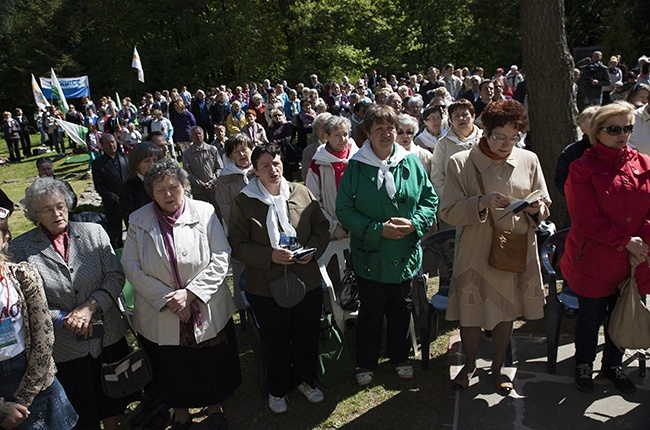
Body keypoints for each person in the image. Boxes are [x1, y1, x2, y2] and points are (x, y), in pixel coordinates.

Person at [440, 99, 550, 395]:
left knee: (506, 311)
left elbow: (544, 203)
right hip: (476, 249)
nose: (507, 144)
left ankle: (500, 368)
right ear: (484, 131)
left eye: (514, 137)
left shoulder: (529, 159)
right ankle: (470, 363)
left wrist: (536, 209)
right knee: (472, 311)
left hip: (516, 248)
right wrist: (481, 202)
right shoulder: (460, 163)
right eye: (500, 136)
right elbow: (447, 211)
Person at [121, 159, 241, 430]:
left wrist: (191, 294)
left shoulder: (205, 211)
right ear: (151, 192)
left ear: (184, 187)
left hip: (205, 304)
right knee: (172, 365)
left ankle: (214, 408)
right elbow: (132, 266)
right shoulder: (138, 220)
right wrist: (170, 299)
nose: (167, 194)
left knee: (209, 361)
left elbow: (221, 256)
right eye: (160, 189)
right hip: (160, 310)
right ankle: (182, 413)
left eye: (173, 187)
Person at [9, 177, 137, 430]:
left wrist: (90, 307)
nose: (57, 214)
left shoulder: (93, 232)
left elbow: (114, 275)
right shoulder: (20, 248)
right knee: (81, 405)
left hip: (106, 333)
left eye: (60, 206)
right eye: (47, 209)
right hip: (64, 345)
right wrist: (63, 319)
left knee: (112, 397)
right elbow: (24, 300)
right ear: (34, 214)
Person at [336, 105, 438, 386]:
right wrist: (377, 230)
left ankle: (400, 356)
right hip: (371, 253)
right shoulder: (357, 166)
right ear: (367, 133)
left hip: (404, 252)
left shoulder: (411, 162)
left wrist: (414, 224)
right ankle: (366, 362)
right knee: (370, 309)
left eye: (390, 128)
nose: (386, 133)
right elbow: (344, 209)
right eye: (378, 128)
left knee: (401, 306)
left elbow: (430, 200)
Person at [228, 144, 329, 414]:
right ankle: (277, 388)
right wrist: (270, 256)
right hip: (266, 286)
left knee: (307, 333)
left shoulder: (301, 192)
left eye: (276, 163)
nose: (273, 169)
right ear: (255, 171)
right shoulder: (244, 201)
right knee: (275, 339)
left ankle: (307, 380)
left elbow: (321, 227)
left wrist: (313, 251)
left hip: (306, 280)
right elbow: (236, 244)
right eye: (265, 166)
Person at [562, 101, 650, 395]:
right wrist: (625, 241)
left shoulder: (644, 163)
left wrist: (642, 243)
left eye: (627, 128)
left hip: (632, 261)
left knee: (621, 313)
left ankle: (613, 363)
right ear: (596, 133)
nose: (622, 135)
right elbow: (585, 218)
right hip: (595, 260)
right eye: (614, 129)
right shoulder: (581, 168)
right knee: (591, 317)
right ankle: (583, 363)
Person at [0, 219, 78, 430]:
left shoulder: (23, 276)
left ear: (5, 238)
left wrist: (24, 397)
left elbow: (44, 335)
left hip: (34, 376)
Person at [215, 133, 255, 313]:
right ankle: (245, 308)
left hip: (266, 232)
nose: (242, 154)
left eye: (244, 149)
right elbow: (226, 210)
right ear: (230, 156)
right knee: (244, 271)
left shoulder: (260, 169)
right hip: (241, 233)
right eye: (236, 151)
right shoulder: (225, 179)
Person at [305, 116, 358, 239]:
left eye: (345, 134)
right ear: (327, 137)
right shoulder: (318, 163)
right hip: (333, 229)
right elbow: (312, 199)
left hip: (357, 227)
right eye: (337, 135)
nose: (343, 139)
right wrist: (333, 227)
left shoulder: (358, 158)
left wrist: (358, 224)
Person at [431, 99, 482, 200]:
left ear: (473, 116)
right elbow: (437, 177)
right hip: (455, 200)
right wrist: (450, 199)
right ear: (450, 120)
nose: (461, 118)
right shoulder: (443, 143)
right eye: (456, 116)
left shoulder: (485, 139)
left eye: (465, 114)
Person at [92, 133, 130, 249]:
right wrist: (113, 197)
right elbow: (99, 186)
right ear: (102, 145)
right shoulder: (98, 164)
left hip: (129, 202)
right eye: (108, 143)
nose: (111, 145)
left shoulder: (125, 158)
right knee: (115, 235)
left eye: (113, 142)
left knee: (134, 230)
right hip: (112, 205)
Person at [554, 106, 599, 195]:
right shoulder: (570, 153)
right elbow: (561, 181)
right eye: (592, 126)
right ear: (582, 129)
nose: (596, 130)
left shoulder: (616, 147)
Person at [182, 126, 223, 213]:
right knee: (202, 213)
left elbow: (220, 168)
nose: (198, 136)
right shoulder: (187, 153)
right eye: (195, 134)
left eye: (199, 134)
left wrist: (212, 182)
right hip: (198, 191)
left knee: (218, 212)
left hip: (214, 189)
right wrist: (200, 184)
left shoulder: (212, 149)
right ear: (191, 137)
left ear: (204, 135)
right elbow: (187, 172)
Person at [119, 142, 164, 222]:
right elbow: (130, 220)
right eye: (147, 161)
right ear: (136, 164)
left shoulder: (165, 182)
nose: (152, 164)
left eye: (155, 160)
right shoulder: (128, 188)